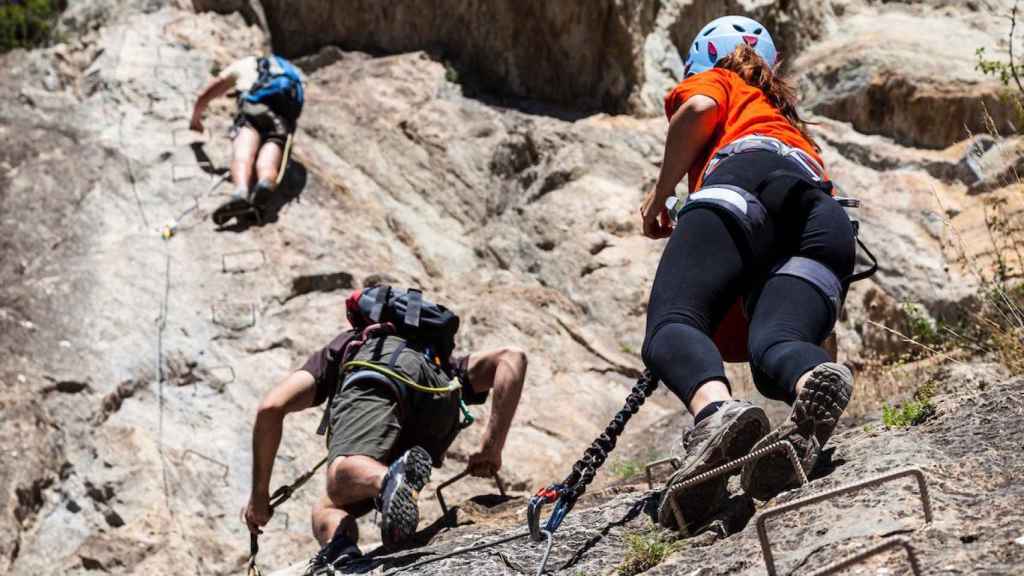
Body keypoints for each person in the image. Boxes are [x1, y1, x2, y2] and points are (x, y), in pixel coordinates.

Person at [638, 16, 856, 533]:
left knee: (672, 321)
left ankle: (717, 416)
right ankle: (808, 384)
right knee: (776, 345)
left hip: (740, 186)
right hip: (824, 218)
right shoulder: (790, 122)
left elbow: (696, 111)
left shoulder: (721, 80)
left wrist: (659, 195)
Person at [242, 286, 526, 575]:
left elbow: (270, 407)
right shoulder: (439, 359)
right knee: (327, 507)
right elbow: (512, 358)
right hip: (441, 398)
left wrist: (259, 496)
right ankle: (345, 548)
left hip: (380, 376)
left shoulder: (351, 345)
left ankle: (389, 481)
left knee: (340, 477)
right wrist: (492, 446)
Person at [190, 54, 304, 225]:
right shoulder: (290, 74)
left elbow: (206, 94)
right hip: (282, 118)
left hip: (253, 109)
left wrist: (195, 120)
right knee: (269, 159)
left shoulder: (246, 64)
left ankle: (241, 191)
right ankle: (264, 183)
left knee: (243, 155)